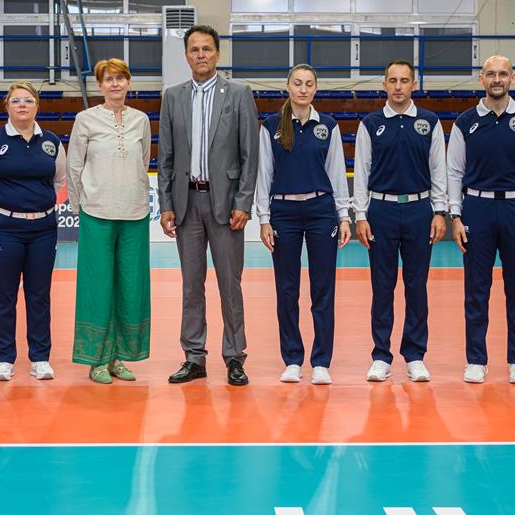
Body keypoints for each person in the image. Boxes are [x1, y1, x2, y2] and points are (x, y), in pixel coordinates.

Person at [157, 24, 260, 386]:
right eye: (194, 49)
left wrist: (243, 201)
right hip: (186, 203)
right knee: (191, 285)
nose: (200, 55)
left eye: (206, 49)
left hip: (227, 206)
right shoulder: (172, 97)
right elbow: (165, 157)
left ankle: (234, 356)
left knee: (230, 285)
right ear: (186, 55)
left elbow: (250, 154)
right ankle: (194, 356)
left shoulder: (239, 94)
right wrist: (166, 204)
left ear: (218, 53)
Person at [446, 55, 515, 385]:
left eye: (503, 73)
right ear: (481, 79)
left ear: (512, 78)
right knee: (476, 289)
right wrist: (455, 216)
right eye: (491, 74)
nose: (497, 79)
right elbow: (454, 171)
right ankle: (476, 359)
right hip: (477, 208)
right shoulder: (465, 122)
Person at [255, 63, 352, 385]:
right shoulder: (271, 126)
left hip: (321, 211)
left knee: (323, 288)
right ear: (288, 86)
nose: (303, 89)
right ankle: (293, 359)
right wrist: (264, 219)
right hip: (284, 213)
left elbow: (337, 173)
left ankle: (321, 361)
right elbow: (264, 174)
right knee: (287, 289)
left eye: (309, 84)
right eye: (297, 83)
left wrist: (343, 215)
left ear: (316, 89)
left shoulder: (328, 126)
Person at [353, 60, 448, 383]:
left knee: (416, 286)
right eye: (392, 80)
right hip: (381, 211)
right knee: (382, 287)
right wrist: (361, 215)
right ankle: (381, 355)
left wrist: (439, 211)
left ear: (413, 84)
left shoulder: (429, 122)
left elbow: (439, 169)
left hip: (420, 210)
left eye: (404, 80)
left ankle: (415, 355)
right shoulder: (371, 123)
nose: (398, 86)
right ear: (384, 84)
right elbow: (362, 171)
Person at [0, 81, 66, 382]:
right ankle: (4, 358)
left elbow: (59, 179)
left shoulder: (51, 142)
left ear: (37, 106)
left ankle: (40, 358)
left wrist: (38, 201)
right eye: (16, 100)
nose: (22, 105)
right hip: (4, 228)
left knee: (39, 295)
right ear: (7, 106)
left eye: (28, 100)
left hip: (43, 228)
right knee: (4, 294)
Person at [66, 59, 152, 384]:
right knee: (97, 287)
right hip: (97, 214)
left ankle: (118, 357)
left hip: (134, 213)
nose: (115, 84)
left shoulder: (141, 120)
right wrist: (79, 205)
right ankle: (96, 359)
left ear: (128, 83)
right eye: (108, 79)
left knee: (130, 287)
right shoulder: (85, 119)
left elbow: (143, 161)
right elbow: (74, 166)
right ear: (100, 85)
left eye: (120, 78)